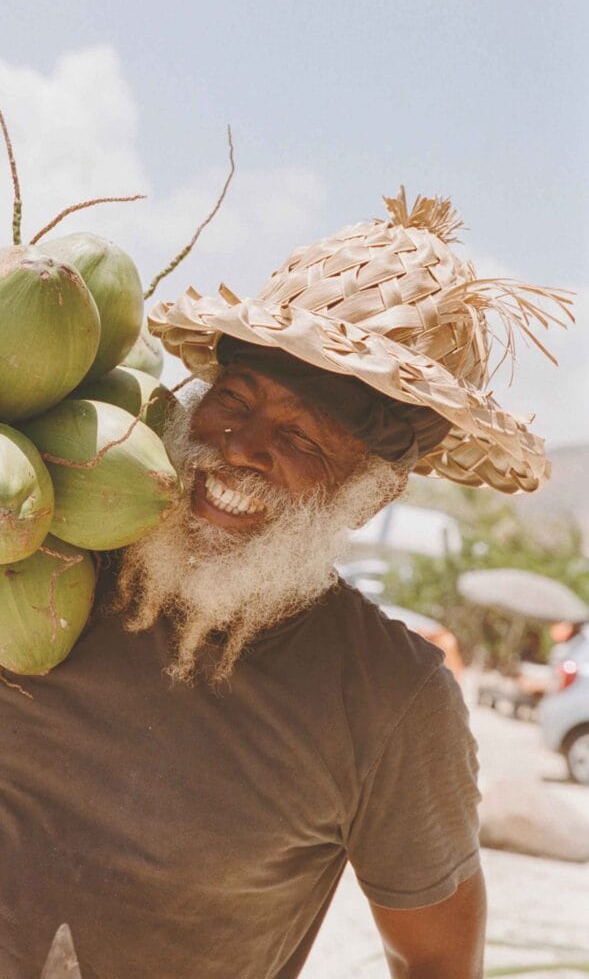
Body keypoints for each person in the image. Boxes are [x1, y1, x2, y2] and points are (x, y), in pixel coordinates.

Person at [0, 188, 568, 978]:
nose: (239, 450)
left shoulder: (387, 700)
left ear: (371, 492)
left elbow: (437, 963)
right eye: (231, 402)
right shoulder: (40, 547)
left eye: (300, 438)